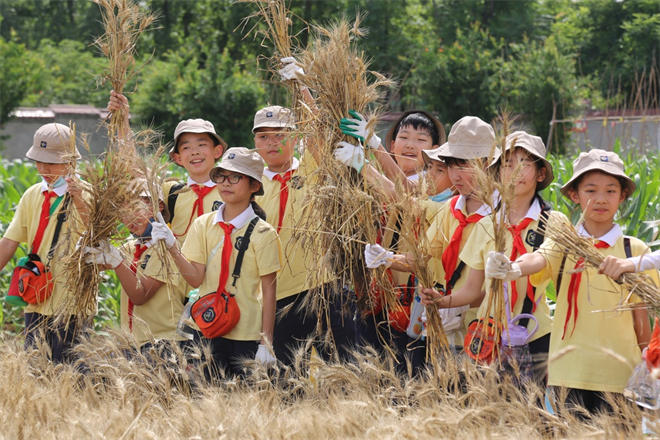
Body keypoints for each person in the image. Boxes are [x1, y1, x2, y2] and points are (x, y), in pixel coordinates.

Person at [486, 149, 658, 415]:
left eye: (611, 191)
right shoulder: (564, 244)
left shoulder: (634, 252)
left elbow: (640, 319)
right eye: (590, 190)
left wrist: (646, 369)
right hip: (568, 374)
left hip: (620, 375)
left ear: (622, 196)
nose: (600, 199)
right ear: (575, 196)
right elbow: (538, 259)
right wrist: (511, 268)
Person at [421, 131, 555, 384]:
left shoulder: (552, 222)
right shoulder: (486, 225)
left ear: (540, 174)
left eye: (525, 164)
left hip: (535, 334)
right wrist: (441, 301)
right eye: (507, 164)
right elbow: (472, 289)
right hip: (487, 335)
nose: (515, 172)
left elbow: (545, 261)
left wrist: (514, 269)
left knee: (530, 415)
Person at [366, 116, 500, 359]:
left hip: (484, 331)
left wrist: (451, 303)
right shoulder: (452, 208)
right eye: (451, 166)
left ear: (488, 163)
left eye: (464, 166)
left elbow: (491, 286)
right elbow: (422, 257)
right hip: (439, 324)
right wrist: (386, 258)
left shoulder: (502, 218)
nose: (455, 175)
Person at [151, 147, 282, 378]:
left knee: (246, 404)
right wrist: (172, 246)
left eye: (234, 177)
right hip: (207, 328)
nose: (225, 183)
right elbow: (195, 279)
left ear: (253, 186)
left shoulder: (264, 233)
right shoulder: (203, 224)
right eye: (220, 176)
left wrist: (266, 343)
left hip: (247, 334)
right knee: (206, 401)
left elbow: (269, 292)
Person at [0, 123, 89, 363]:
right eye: (39, 161)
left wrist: (79, 198)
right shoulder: (32, 194)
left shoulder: (87, 194)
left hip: (72, 303)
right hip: (36, 298)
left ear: (71, 161)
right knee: (35, 373)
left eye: (51, 162)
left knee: (71, 377)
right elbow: (9, 242)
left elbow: (97, 235)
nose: (43, 168)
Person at [81, 182, 185, 352]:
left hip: (163, 343)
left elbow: (140, 296)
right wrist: (88, 247)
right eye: (123, 213)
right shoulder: (131, 247)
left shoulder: (166, 249)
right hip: (134, 343)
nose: (130, 218)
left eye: (136, 209)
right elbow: (94, 266)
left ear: (157, 207)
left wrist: (117, 262)